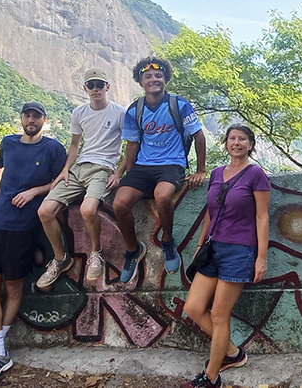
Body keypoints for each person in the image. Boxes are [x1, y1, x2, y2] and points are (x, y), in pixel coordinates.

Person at [0, 101, 67, 381]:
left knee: (13, 289)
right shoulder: (8, 143)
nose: (31, 120)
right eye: (27, 115)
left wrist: (34, 191)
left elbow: (61, 180)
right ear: (22, 118)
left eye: (36, 116)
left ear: (44, 120)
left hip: (23, 227)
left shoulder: (53, 148)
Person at [180, 124, 270, 388]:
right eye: (232, 138)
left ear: (250, 145)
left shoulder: (255, 174)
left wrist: (261, 257)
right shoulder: (218, 173)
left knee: (220, 315)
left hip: (239, 250)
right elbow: (210, 211)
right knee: (194, 307)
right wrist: (199, 244)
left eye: (242, 139)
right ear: (226, 144)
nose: (237, 143)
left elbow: (262, 216)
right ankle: (232, 353)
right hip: (212, 248)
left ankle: (211, 377)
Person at [113, 57, 207, 283]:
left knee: (162, 195)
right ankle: (133, 249)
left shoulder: (179, 104)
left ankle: (167, 241)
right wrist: (127, 175)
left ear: (165, 79)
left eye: (158, 75)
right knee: (119, 203)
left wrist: (200, 170)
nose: (154, 79)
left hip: (172, 164)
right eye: (148, 76)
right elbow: (132, 145)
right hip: (144, 166)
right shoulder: (135, 110)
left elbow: (199, 136)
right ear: (140, 82)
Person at [35, 68, 126, 289]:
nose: (95, 89)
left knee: (87, 209)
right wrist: (66, 169)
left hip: (103, 168)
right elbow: (75, 144)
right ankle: (60, 259)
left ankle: (96, 253)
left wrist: (118, 173)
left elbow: (132, 145)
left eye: (99, 84)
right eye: (91, 85)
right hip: (78, 168)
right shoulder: (79, 113)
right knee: (44, 211)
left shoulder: (120, 113)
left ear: (107, 86)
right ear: (85, 88)